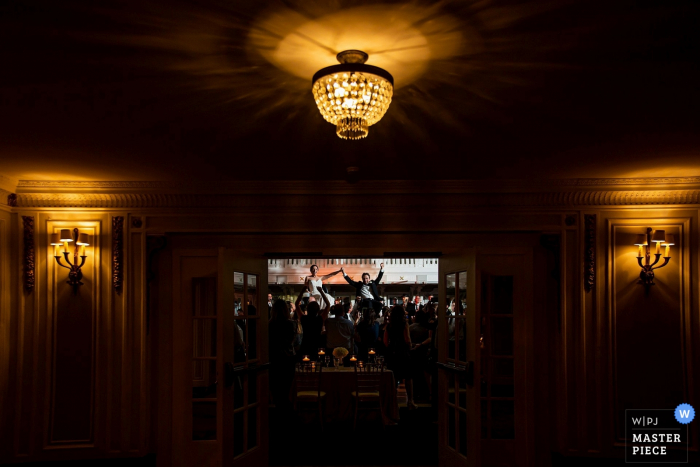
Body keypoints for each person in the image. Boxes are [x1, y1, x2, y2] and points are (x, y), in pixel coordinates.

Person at [384, 304, 416, 409]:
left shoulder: (389, 325)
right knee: (408, 377)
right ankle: (410, 401)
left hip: (393, 353)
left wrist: (391, 346)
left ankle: (393, 401)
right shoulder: (404, 324)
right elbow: (407, 339)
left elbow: (385, 341)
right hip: (403, 352)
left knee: (394, 378)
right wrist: (410, 346)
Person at [268, 299, 297, 410]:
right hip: (287, 359)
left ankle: (277, 412)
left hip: (274, 359)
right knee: (287, 388)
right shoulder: (290, 324)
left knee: (275, 388)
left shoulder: (269, 325)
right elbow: (292, 341)